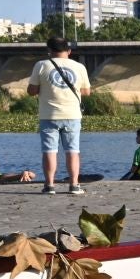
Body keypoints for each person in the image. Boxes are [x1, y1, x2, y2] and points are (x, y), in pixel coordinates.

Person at [27, 37, 90, 194]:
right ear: (69, 51)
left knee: (49, 151)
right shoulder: (79, 67)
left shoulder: (41, 65)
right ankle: (74, 185)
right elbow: (86, 91)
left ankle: (49, 186)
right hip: (72, 115)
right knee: (73, 150)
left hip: (48, 115)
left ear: (49, 51)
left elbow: (31, 91)